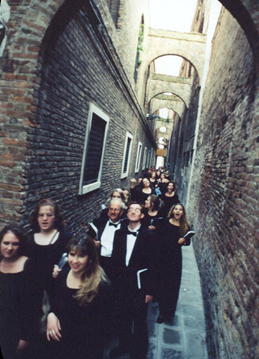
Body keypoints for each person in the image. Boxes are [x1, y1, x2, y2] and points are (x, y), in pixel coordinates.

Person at [46, 236, 109, 359]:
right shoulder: (61, 276)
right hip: (60, 344)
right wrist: (51, 315)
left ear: (90, 257)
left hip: (85, 348)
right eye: (72, 254)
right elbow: (54, 305)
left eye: (81, 256)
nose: (75, 261)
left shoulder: (100, 285)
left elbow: (103, 326)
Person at [110, 202, 157, 359]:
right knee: (122, 317)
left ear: (142, 215)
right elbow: (115, 262)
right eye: (130, 209)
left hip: (139, 286)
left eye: (137, 210)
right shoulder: (119, 234)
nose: (133, 212)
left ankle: (139, 352)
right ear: (127, 213)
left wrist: (149, 291)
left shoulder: (149, 236)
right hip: (121, 285)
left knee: (139, 320)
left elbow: (153, 265)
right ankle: (124, 345)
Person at [0, 225, 42, 359]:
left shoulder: (30, 267)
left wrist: (26, 337)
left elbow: (34, 307)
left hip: (18, 331)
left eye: (15, 244)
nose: (9, 248)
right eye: (6, 243)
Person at [27, 198, 73, 295]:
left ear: (55, 217)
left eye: (49, 215)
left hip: (57, 290)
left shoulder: (66, 238)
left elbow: (76, 263)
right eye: (41, 215)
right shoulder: (28, 239)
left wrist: (63, 271)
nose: (44, 218)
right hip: (32, 291)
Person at [154, 203, 190, 324]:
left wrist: (184, 241)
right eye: (176, 209)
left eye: (180, 209)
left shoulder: (184, 227)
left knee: (172, 286)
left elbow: (188, 241)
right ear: (172, 211)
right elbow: (156, 233)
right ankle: (161, 309)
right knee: (162, 283)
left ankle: (167, 313)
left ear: (183, 213)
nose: (178, 211)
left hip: (175, 259)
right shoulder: (165, 222)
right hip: (162, 256)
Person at [88, 198, 125, 279]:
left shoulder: (125, 227)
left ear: (121, 212)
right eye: (111, 209)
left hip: (116, 264)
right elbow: (88, 239)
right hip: (100, 262)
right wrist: (93, 243)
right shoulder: (99, 223)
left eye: (116, 210)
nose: (112, 212)